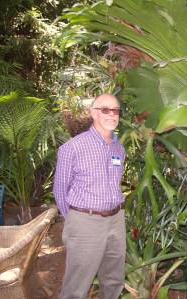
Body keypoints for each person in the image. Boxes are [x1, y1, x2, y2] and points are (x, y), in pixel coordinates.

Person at [53, 93, 126, 299]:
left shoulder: (119, 148)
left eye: (116, 110)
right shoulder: (73, 147)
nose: (112, 114)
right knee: (77, 286)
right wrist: (77, 220)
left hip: (116, 220)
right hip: (85, 221)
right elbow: (59, 189)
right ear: (93, 113)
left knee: (114, 280)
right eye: (105, 109)